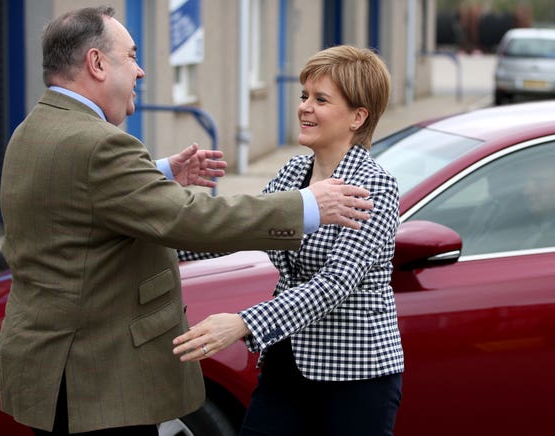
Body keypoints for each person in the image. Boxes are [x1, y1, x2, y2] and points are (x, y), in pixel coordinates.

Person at [0, 7, 373, 436]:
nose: (140, 71)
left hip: (50, 368)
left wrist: (155, 174)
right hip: (95, 380)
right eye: (131, 56)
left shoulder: (34, 128)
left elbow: (77, 195)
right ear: (97, 64)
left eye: (320, 99)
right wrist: (305, 206)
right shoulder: (100, 145)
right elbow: (193, 220)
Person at [172, 45, 404, 436]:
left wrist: (243, 322)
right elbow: (241, 229)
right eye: (304, 96)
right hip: (288, 364)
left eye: (321, 99)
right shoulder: (294, 171)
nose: (305, 107)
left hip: (355, 376)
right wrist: (157, 239)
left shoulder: (375, 185)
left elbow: (335, 284)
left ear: (357, 117)